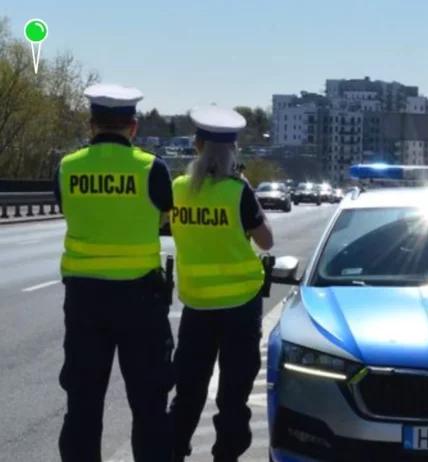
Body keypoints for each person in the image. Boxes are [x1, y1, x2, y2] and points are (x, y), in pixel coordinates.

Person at [54, 83, 175, 462]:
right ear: (133, 127)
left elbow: (66, 208)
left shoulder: (67, 168)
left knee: (83, 404)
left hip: (84, 301)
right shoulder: (151, 169)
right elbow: (163, 218)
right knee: (149, 404)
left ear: (91, 125)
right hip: (140, 301)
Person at [169, 105, 274, 462]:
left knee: (187, 391)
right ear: (233, 152)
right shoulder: (237, 192)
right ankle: (225, 456)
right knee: (232, 395)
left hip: (196, 307)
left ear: (197, 147)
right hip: (240, 308)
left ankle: (173, 451)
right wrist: (246, 190)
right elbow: (266, 242)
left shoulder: (179, 189)